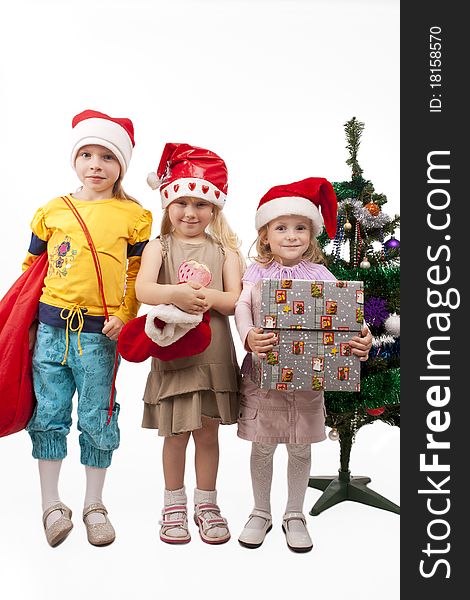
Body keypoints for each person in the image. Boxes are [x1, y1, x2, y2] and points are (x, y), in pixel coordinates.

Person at [23, 110, 153, 547]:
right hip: (49, 331)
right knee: (49, 414)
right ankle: (50, 504)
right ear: (74, 160)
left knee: (98, 416)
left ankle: (94, 504)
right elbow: (31, 271)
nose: (95, 164)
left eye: (107, 157)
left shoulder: (134, 216)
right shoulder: (52, 211)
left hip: (100, 335)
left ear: (121, 166)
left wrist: (125, 312)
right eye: (86, 154)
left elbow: (136, 273)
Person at [234, 177, 372, 553]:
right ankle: (260, 511)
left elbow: (346, 314)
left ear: (312, 235)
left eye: (300, 228)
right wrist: (248, 337)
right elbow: (242, 306)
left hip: (309, 381)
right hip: (263, 375)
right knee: (262, 446)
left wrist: (363, 334)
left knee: (299, 448)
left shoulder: (321, 276)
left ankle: (294, 514)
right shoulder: (256, 273)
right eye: (281, 227)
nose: (291, 235)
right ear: (265, 235)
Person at [135, 143, 244, 545]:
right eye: (180, 202)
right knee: (176, 434)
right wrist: (177, 294)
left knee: (209, 435)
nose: (189, 212)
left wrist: (207, 298)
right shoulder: (158, 247)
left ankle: (207, 504)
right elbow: (144, 290)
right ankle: (173, 504)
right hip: (175, 354)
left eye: (200, 204)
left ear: (214, 210)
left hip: (213, 355)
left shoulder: (226, 251)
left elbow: (233, 300)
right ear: (167, 205)